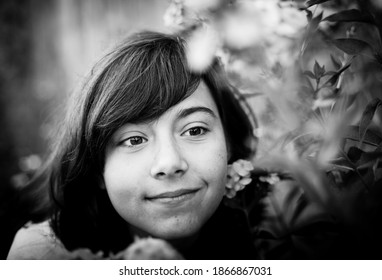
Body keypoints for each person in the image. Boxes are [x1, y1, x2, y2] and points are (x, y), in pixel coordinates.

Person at [7, 31, 262, 259]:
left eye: (194, 130)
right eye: (134, 140)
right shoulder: (44, 256)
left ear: (228, 142)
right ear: (97, 168)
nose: (169, 164)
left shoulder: (285, 234)